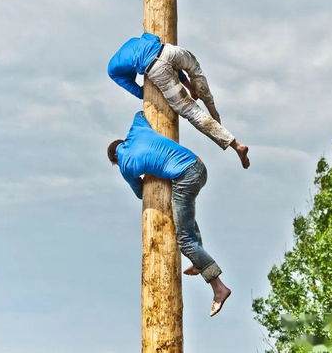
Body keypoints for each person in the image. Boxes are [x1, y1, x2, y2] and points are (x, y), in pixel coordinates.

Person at [108, 111, 232, 317]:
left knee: (184, 240)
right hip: (198, 165)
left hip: (185, 177)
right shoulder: (137, 130)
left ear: (114, 157)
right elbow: (140, 113)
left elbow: (141, 193)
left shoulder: (125, 165)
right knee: (184, 217)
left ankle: (219, 288)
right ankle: (198, 261)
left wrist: (146, 168)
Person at [107, 32, 250, 168]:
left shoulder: (113, 71)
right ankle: (214, 112)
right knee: (196, 71)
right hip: (170, 51)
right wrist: (189, 87)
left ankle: (236, 145)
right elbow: (163, 53)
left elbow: (140, 92)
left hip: (155, 68)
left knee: (190, 111)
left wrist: (160, 84)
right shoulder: (135, 41)